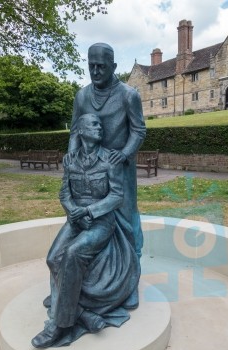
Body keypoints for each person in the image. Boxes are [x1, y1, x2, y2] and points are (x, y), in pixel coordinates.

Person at [43, 42, 145, 310]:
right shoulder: (82, 96)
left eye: (101, 66)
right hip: (88, 169)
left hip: (118, 167)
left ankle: (130, 284)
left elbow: (139, 130)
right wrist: (71, 161)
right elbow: (75, 131)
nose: (96, 71)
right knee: (80, 221)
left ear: (113, 67)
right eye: (91, 66)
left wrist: (123, 154)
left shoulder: (128, 95)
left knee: (126, 223)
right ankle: (67, 284)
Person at [32, 114, 140, 348]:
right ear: (80, 130)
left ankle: (60, 326)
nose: (99, 127)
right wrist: (72, 211)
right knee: (53, 258)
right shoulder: (69, 160)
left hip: (102, 221)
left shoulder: (109, 159)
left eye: (100, 124)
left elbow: (116, 196)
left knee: (72, 254)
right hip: (76, 219)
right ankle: (82, 313)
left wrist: (90, 211)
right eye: (94, 124)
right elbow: (64, 193)